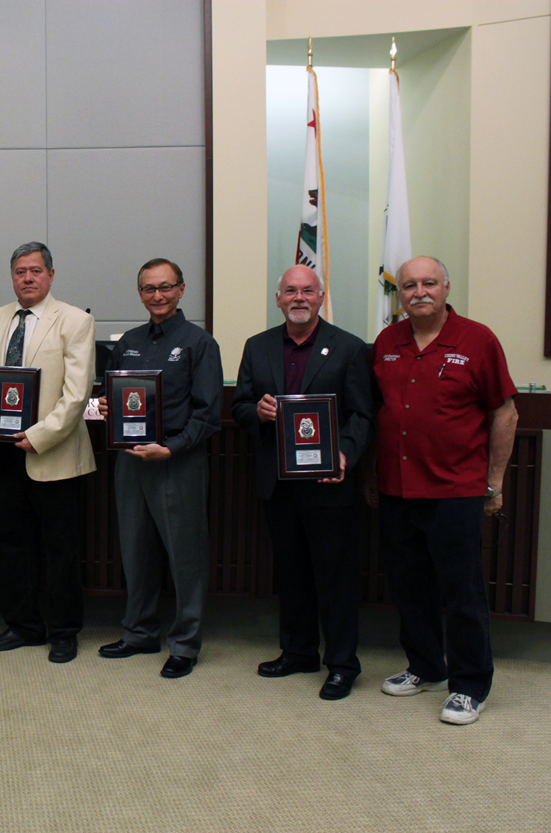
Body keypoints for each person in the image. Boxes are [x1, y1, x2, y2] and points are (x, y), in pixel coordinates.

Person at [369, 256, 518, 725]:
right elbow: (375, 413)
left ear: (447, 288)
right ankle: (427, 666)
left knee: (461, 591)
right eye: (409, 285)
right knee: (408, 586)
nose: (419, 292)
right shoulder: (386, 342)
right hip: (396, 488)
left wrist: (495, 483)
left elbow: (505, 413)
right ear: (399, 294)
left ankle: (470, 686)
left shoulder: (478, 340)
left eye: (429, 283)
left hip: (455, 490)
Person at [231, 264, 373, 699]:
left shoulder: (349, 347)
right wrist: (258, 412)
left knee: (335, 578)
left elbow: (361, 414)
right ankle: (298, 652)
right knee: (291, 574)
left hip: (329, 482)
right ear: (278, 299)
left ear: (320, 297)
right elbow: (239, 406)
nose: (299, 298)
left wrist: (344, 453)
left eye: (308, 291)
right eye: (290, 291)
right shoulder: (257, 346)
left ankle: (342, 665)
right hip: (280, 483)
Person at [96, 258, 222, 678]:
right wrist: (107, 408)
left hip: (176, 460)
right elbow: (112, 398)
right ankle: (140, 632)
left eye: (166, 287)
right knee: (135, 550)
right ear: (140, 294)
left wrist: (170, 449)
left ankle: (185, 643)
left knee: (185, 555)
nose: (158, 295)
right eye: (149, 288)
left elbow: (208, 414)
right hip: (130, 460)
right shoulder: (128, 342)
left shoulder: (199, 343)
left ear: (181, 290)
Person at [0, 242, 96, 663]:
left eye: (35, 271)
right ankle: (22, 625)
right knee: (10, 545)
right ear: (12, 276)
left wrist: (39, 436)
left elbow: (77, 394)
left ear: (51, 275)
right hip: (4, 453)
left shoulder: (75, 321)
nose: (27, 278)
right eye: (20, 271)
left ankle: (64, 631)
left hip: (53, 453)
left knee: (61, 549)